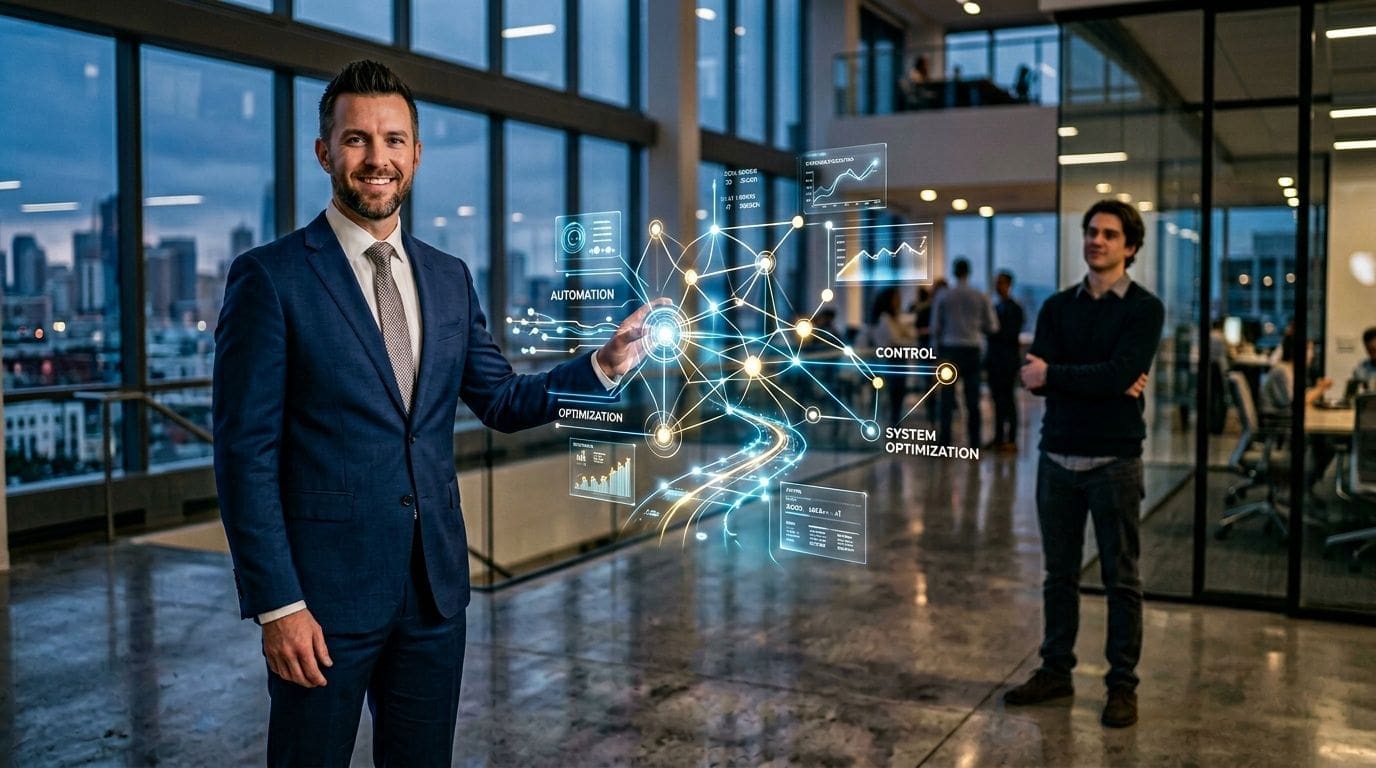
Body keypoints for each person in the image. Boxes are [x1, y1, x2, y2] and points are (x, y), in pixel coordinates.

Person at [213, 60, 663, 767]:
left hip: (434, 596)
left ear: (416, 155)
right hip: (322, 605)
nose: (377, 158)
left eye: (393, 140)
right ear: (324, 152)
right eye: (356, 140)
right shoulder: (271, 278)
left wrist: (602, 367)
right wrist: (279, 605)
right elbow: (245, 456)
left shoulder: (448, 277)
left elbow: (503, 401)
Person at [1006, 199, 1164, 729]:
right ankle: (1056, 671)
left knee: (1122, 580)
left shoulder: (1144, 309)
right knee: (1059, 575)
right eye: (1092, 232)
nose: (1097, 240)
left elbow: (1118, 373)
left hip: (1114, 460)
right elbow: (1035, 378)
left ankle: (1122, 685)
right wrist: (1103, 379)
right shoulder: (1055, 307)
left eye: (1110, 234)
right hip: (1056, 456)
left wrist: (1066, 374)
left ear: (1131, 247)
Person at [931, 258, 998, 445]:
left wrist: (936, 351)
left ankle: (945, 439)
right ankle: (974, 440)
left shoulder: (944, 295)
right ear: (968, 272)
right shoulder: (980, 295)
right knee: (972, 399)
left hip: (949, 349)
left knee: (946, 398)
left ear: (953, 271)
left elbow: (935, 326)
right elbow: (992, 326)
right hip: (972, 349)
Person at [985, 271, 1025, 452]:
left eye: (1000, 283)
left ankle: (1011, 439)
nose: (997, 286)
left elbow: (1007, 334)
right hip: (997, 360)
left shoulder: (1013, 309)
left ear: (1009, 285)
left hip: (1006, 361)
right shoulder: (998, 307)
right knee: (998, 401)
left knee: (1008, 400)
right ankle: (1000, 437)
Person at [868, 286, 918, 424]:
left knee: (898, 397)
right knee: (892, 396)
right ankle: (890, 426)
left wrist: (906, 338)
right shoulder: (885, 319)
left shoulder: (896, 319)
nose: (899, 301)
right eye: (896, 298)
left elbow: (911, 337)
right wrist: (906, 338)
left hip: (898, 360)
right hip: (890, 361)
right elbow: (895, 340)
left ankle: (894, 425)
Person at [1350, 326, 1376, 392]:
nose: (1374, 355)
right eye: (1370, 350)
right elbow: (1352, 395)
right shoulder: (1361, 369)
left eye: (1375, 350)